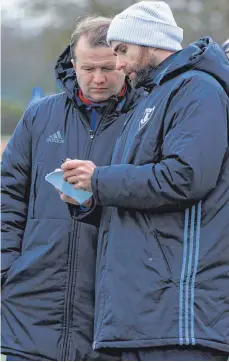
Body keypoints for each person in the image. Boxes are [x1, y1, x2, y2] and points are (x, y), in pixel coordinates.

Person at [60, 2, 229, 360]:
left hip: (176, 319)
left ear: (150, 42)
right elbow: (138, 195)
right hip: (136, 319)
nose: (117, 63)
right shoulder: (151, 98)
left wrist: (100, 179)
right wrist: (89, 198)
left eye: (122, 50)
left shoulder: (197, 90)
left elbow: (185, 177)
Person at [1, 15, 143, 361]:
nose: (97, 79)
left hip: (114, 309)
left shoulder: (147, 116)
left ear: (124, 62)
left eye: (108, 68)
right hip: (32, 306)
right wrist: (6, 267)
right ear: (72, 62)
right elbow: (8, 194)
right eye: (88, 68)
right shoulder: (39, 116)